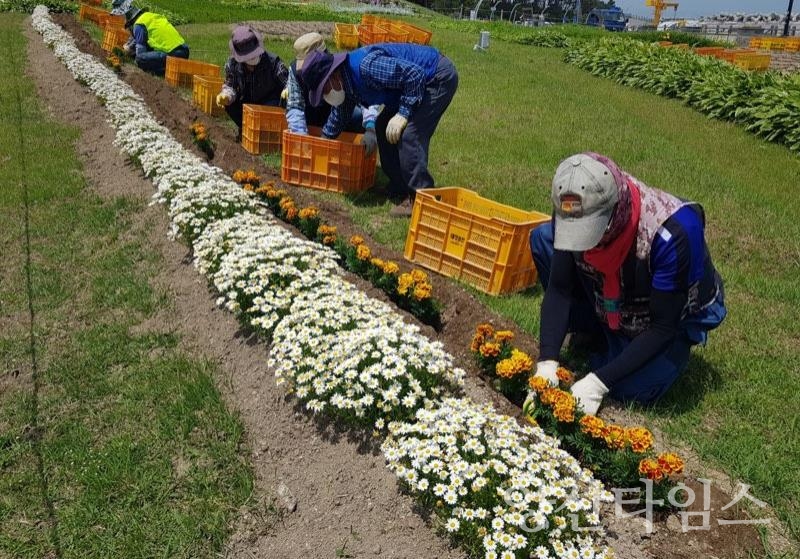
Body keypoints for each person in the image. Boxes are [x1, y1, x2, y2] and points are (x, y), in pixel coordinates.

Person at [525, 153, 726, 416]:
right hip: (613, 291)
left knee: (634, 388)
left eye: (590, 233)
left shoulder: (672, 234)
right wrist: (548, 361)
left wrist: (599, 382)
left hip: (664, 314)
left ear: (613, 215)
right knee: (543, 238)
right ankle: (601, 332)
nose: (583, 243)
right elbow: (560, 289)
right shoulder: (573, 202)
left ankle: (617, 343)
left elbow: (663, 326)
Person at [297, 44, 458, 217]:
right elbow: (341, 113)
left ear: (333, 77)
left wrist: (403, 114)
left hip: (435, 78)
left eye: (324, 90)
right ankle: (399, 188)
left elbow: (415, 75)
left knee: (410, 135)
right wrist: (324, 140)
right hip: (411, 84)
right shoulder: (346, 82)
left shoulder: (366, 67)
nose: (325, 96)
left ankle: (421, 199)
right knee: (382, 125)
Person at [286, 33, 379, 154]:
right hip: (309, 115)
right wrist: (302, 139)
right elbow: (295, 106)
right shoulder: (294, 72)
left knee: (357, 115)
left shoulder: (339, 67)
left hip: (335, 114)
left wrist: (370, 126)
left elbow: (367, 97)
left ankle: (353, 147)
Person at [215, 26, 288, 140]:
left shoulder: (273, 62)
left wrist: (287, 89)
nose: (251, 66)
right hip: (246, 104)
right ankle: (245, 128)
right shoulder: (232, 64)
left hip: (269, 104)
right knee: (230, 104)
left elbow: (288, 83)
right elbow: (231, 85)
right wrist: (227, 95)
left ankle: (268, 134)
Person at [121, 7, 189, 77]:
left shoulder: (138, 25)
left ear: (131, 22)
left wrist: (133, 58)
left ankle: (162, 72)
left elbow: (140, 50)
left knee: (139, 59)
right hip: (184, 51)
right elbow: (138, 39)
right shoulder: (151, 16)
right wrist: (130, 46)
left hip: (173, 54)